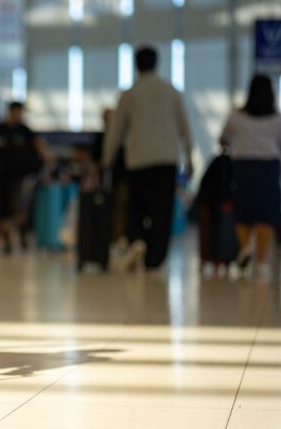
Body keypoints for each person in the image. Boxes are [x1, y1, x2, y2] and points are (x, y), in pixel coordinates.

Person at [102, 45, 194, 270]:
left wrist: (107, 159)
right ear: (157, 63)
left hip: (138, 159)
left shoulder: (130, 94)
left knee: (137, 207)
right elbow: (184, 127)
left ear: (136, 66)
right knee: (162, 209)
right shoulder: (171, 91)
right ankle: (156, 258)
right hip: (166, 159)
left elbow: (116, 130)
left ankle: (138, 242)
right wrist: (189, 158)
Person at [220, 74, 281, 279]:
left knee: (242, 210)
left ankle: (246, 247)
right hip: (268, 167)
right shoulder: (277, 118)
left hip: (242, 166)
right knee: (266, 214)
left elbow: (223, 139)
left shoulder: (236, 115)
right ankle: (261, 262)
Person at [0, 102, 50, 255]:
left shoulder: (25, 131)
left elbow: (39, 146)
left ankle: (22, 237)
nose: (18, 115)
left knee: (19, 209)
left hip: (20, 178)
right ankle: (7, 241)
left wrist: (44, 158)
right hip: (1, 179)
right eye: (16, 112)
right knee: (2, 211)